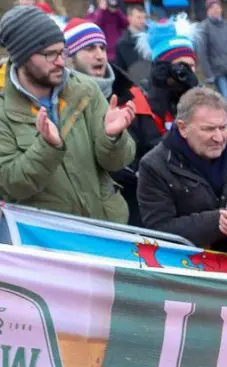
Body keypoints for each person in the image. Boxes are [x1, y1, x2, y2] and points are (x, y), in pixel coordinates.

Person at [0, 6, 137, 224]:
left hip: (106, 225)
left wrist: (112, 138)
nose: (61, 62)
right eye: (49, 54)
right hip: (47, 238)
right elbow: (11, 183)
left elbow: (118, 162)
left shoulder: (85, 88)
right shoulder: (3, 108)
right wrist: (47, 148)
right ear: (23, 56)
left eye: (62, 52)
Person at [138, 87, 227, 252]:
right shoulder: (155, 165)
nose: (219, 138)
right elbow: (158, 230)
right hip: (184, 266)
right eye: (208, 129)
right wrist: (220, 221)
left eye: (222, 128)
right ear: (183, 128)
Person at [64, 18, 163, 228]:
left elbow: (155, 146)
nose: (100, 55)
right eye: (90, 48)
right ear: (70, 57)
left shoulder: (131, 94)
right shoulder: (60, 98)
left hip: (135, 206)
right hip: (79, 214)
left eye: (102, 47)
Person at [137, 17, 200, 130]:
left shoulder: (202, 94)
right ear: (164, 68)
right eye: (182, 66)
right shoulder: (143, 97)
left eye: (191, 66)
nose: (189, 72)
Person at [197, 0, 227, 133]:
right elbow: (202, 53)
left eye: (218, 8)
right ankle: (226, 128)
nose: (216, 10)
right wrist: (208, 74)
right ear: (208, 11)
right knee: (224, 101)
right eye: (213, 8)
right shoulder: (204, 27)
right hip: (218, 71)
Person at [115, 4, 147, 77]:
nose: (143, 21)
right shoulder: (124, 42)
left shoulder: (150, 34)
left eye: (144, 17)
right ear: (129, 18)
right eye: (139, 18)